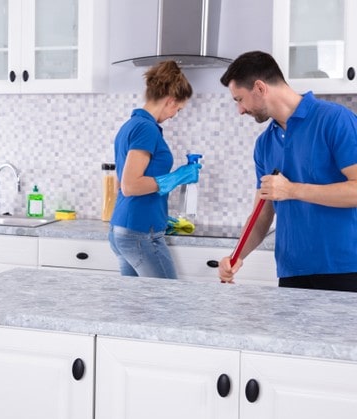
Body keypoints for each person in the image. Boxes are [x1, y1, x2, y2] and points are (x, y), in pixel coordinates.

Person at [218, 51, 357, 292]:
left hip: (344, 269)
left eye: (239, 99)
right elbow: (262, 213)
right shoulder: (264, 144)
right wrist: (237, 255)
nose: (240, 110)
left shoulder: (335, 120)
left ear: (260, 88)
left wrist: (292, 190)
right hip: (292, 272)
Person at [108, 60, 201, 279]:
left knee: (135, 308)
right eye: (177, 109)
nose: (174, 115)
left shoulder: (131, 125)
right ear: (170, 101)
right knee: (166, 304)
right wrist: (175, 178)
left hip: (125, 228)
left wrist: (159, 215)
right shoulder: (146, 129)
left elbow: (124, 182)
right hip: (140, 233)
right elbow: (130, 186)